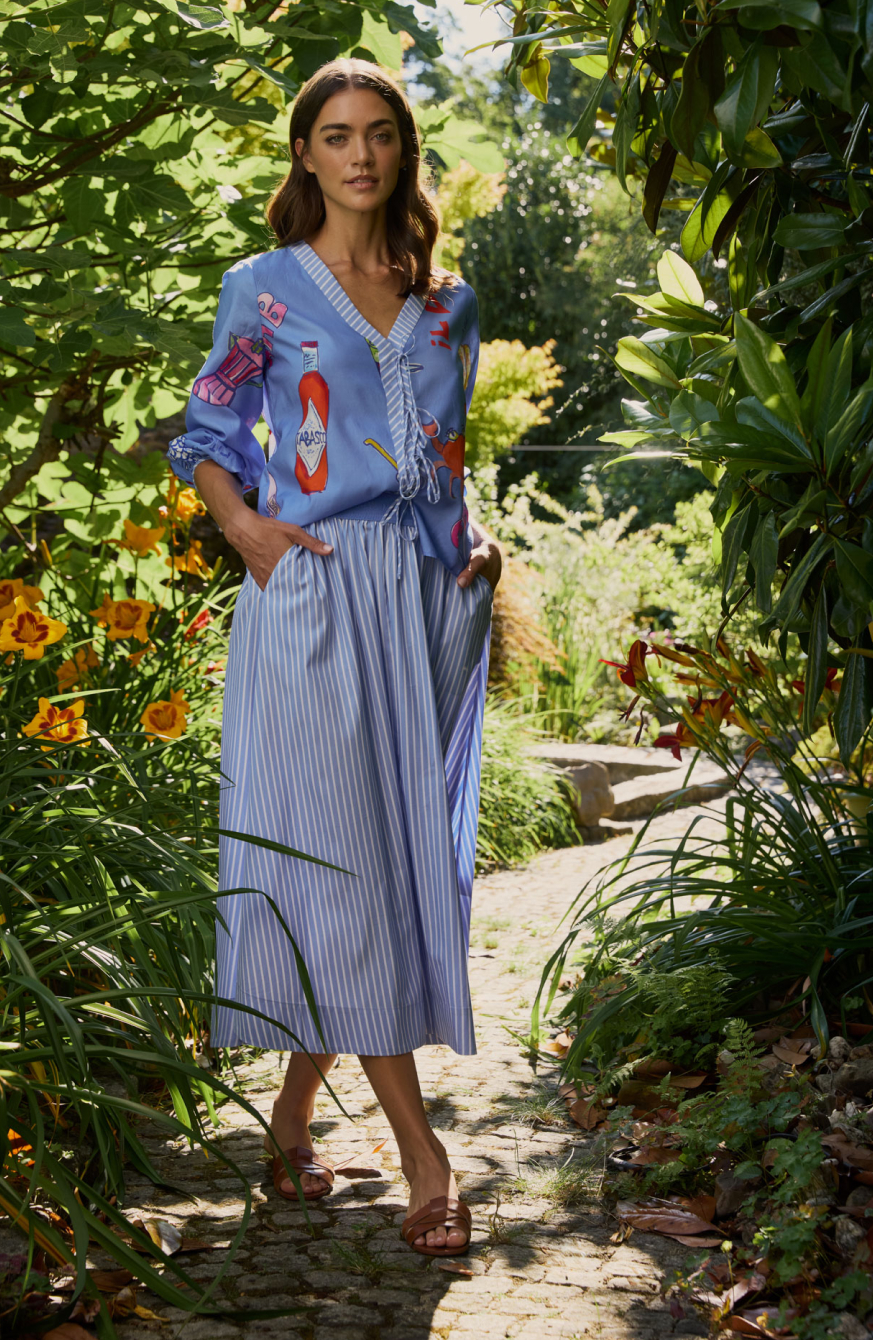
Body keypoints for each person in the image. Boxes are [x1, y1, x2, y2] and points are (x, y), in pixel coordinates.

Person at [167, 57, 501, 1257]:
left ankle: (290, 1119)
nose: (360, 154)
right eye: (336, 134)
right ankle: (423, 1154)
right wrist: (247, 530)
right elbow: (207, 432)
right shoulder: (261, 291)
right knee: (346, 861)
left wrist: (476, 543)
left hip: (424, 599)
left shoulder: (448, 304)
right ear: (305, 154)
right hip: (309, 591)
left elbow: (442, 458)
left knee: (382, 862)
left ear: (402, 151)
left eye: (379, 134)